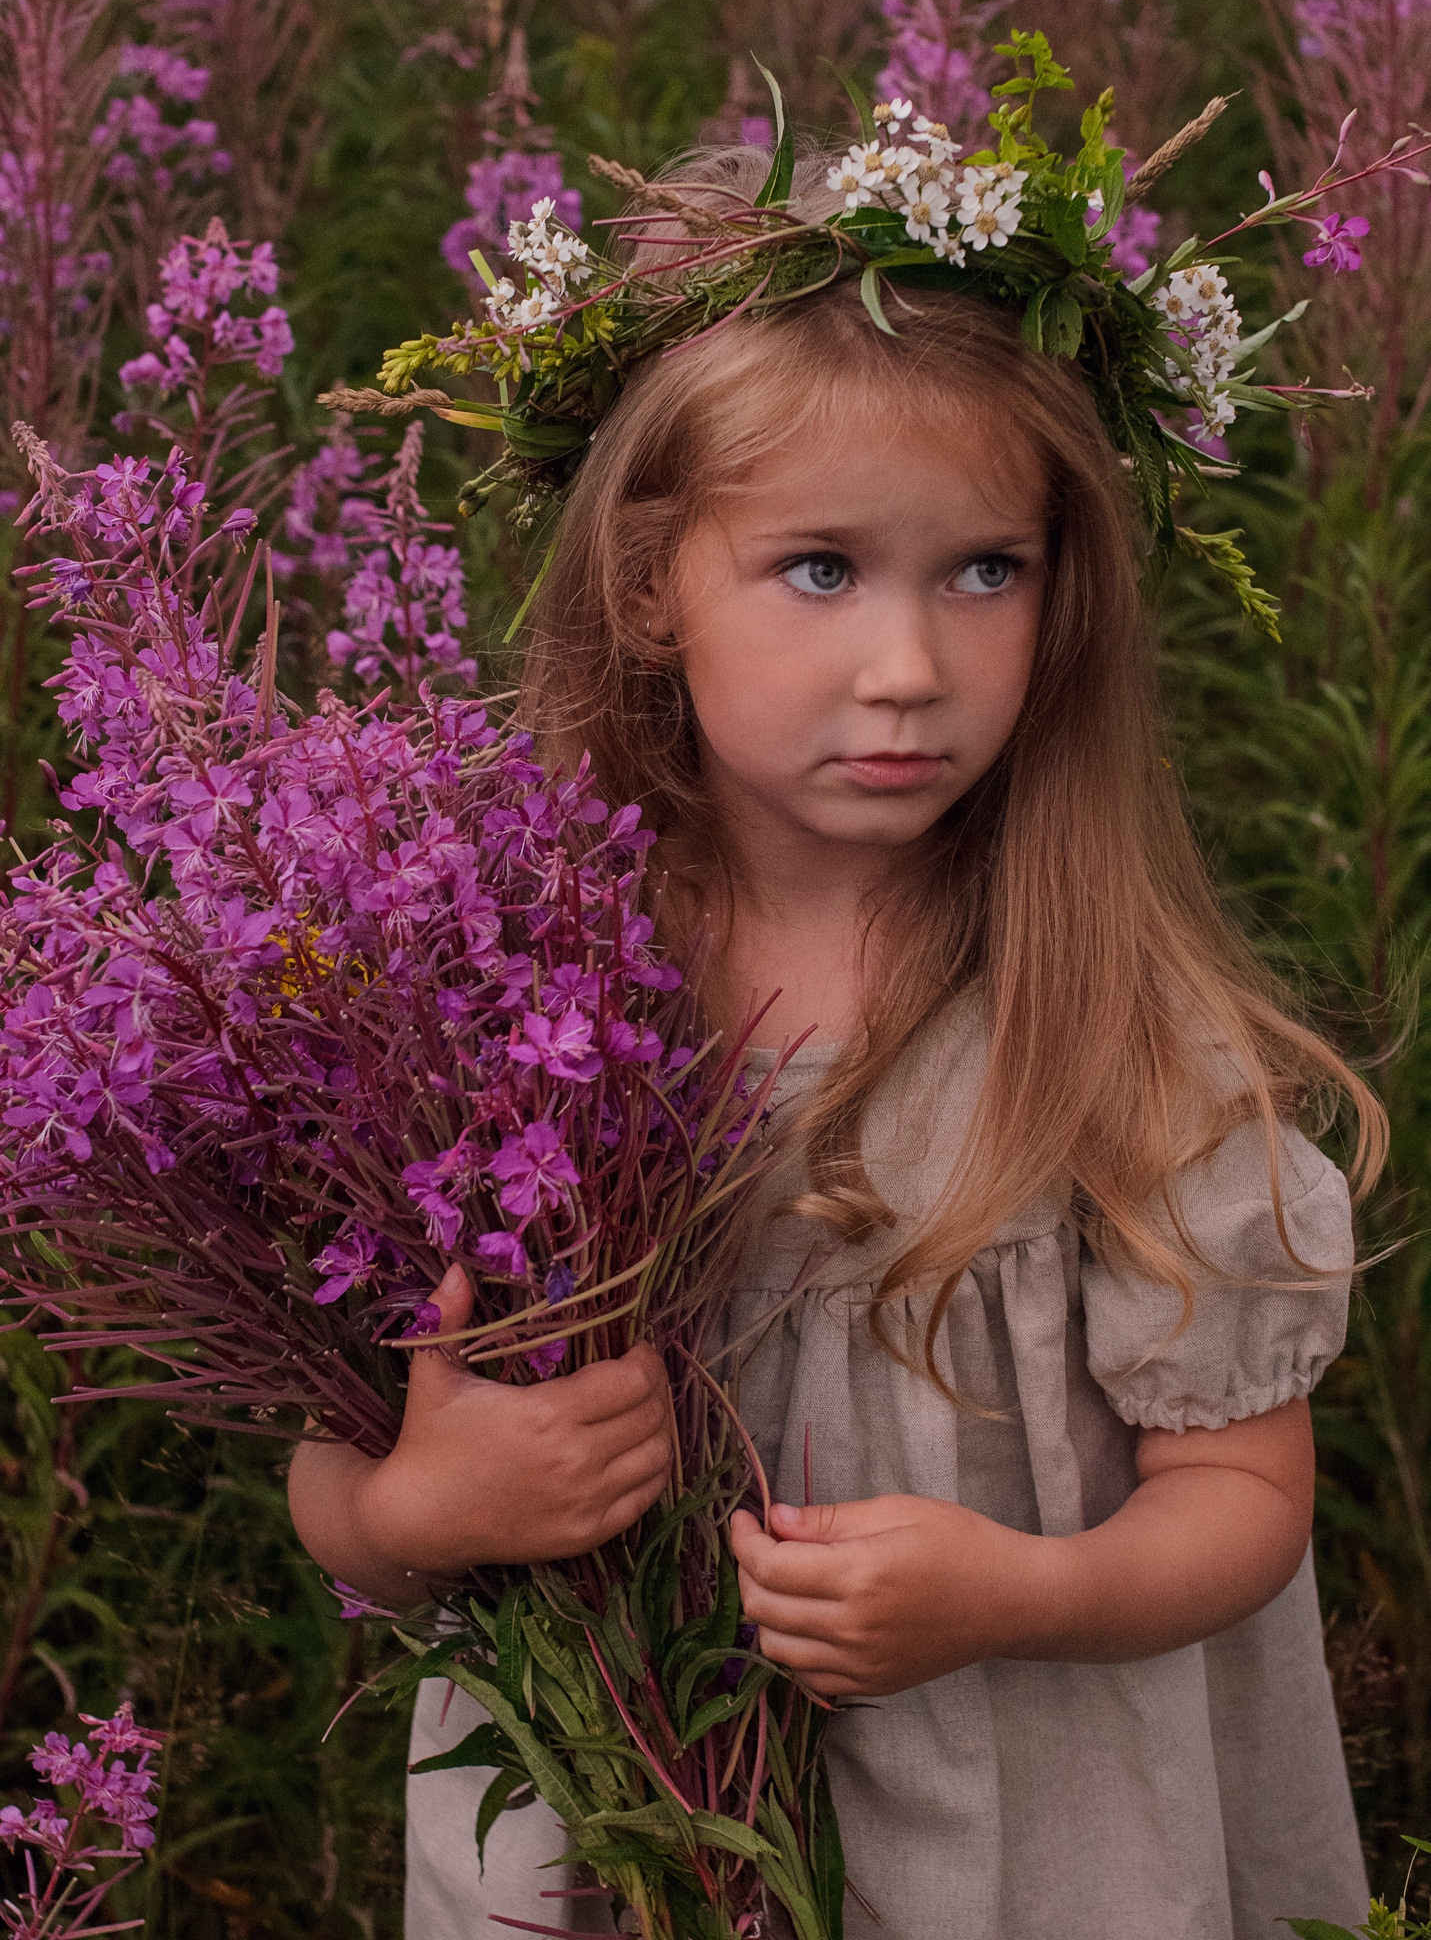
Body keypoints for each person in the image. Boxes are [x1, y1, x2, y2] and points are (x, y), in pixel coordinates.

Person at [287, 145, 1386, 1940]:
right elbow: (341, 1463)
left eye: (982, 571)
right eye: (817, 569)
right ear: (650, 589)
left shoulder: (1102, 1018)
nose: (907, 664)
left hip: (1025, 1830)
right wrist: (425, 1503)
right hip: (609, 1816)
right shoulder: (485, 1008)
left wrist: (1016, 1591)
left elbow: (1246, 1503)